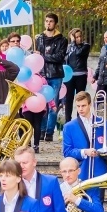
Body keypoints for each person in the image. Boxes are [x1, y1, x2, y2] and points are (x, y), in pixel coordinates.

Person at [35, 13, 68, 142]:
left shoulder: (62, 40)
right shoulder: (39, 38)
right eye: (46, 21)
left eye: (51, 21)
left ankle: (49, 132)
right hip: (42, 75)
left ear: (55, 23)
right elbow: (36, 57)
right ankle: (42, 130)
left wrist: (43, 56)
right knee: (41, 104)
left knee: (53, 104)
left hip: (55, 75)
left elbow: (59, 57)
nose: (48, 23)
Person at [64, 28, 90, 123]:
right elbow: (65, 59)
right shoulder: (69, 47)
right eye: (76, 37)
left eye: (80, 36)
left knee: (81, 98)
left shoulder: (86, 46)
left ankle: (80, 120)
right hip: (70, 76)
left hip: (81, 75)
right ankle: (68, 121)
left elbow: (79, 53)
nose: (78, 39)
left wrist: (73, 42)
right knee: (68, 99)